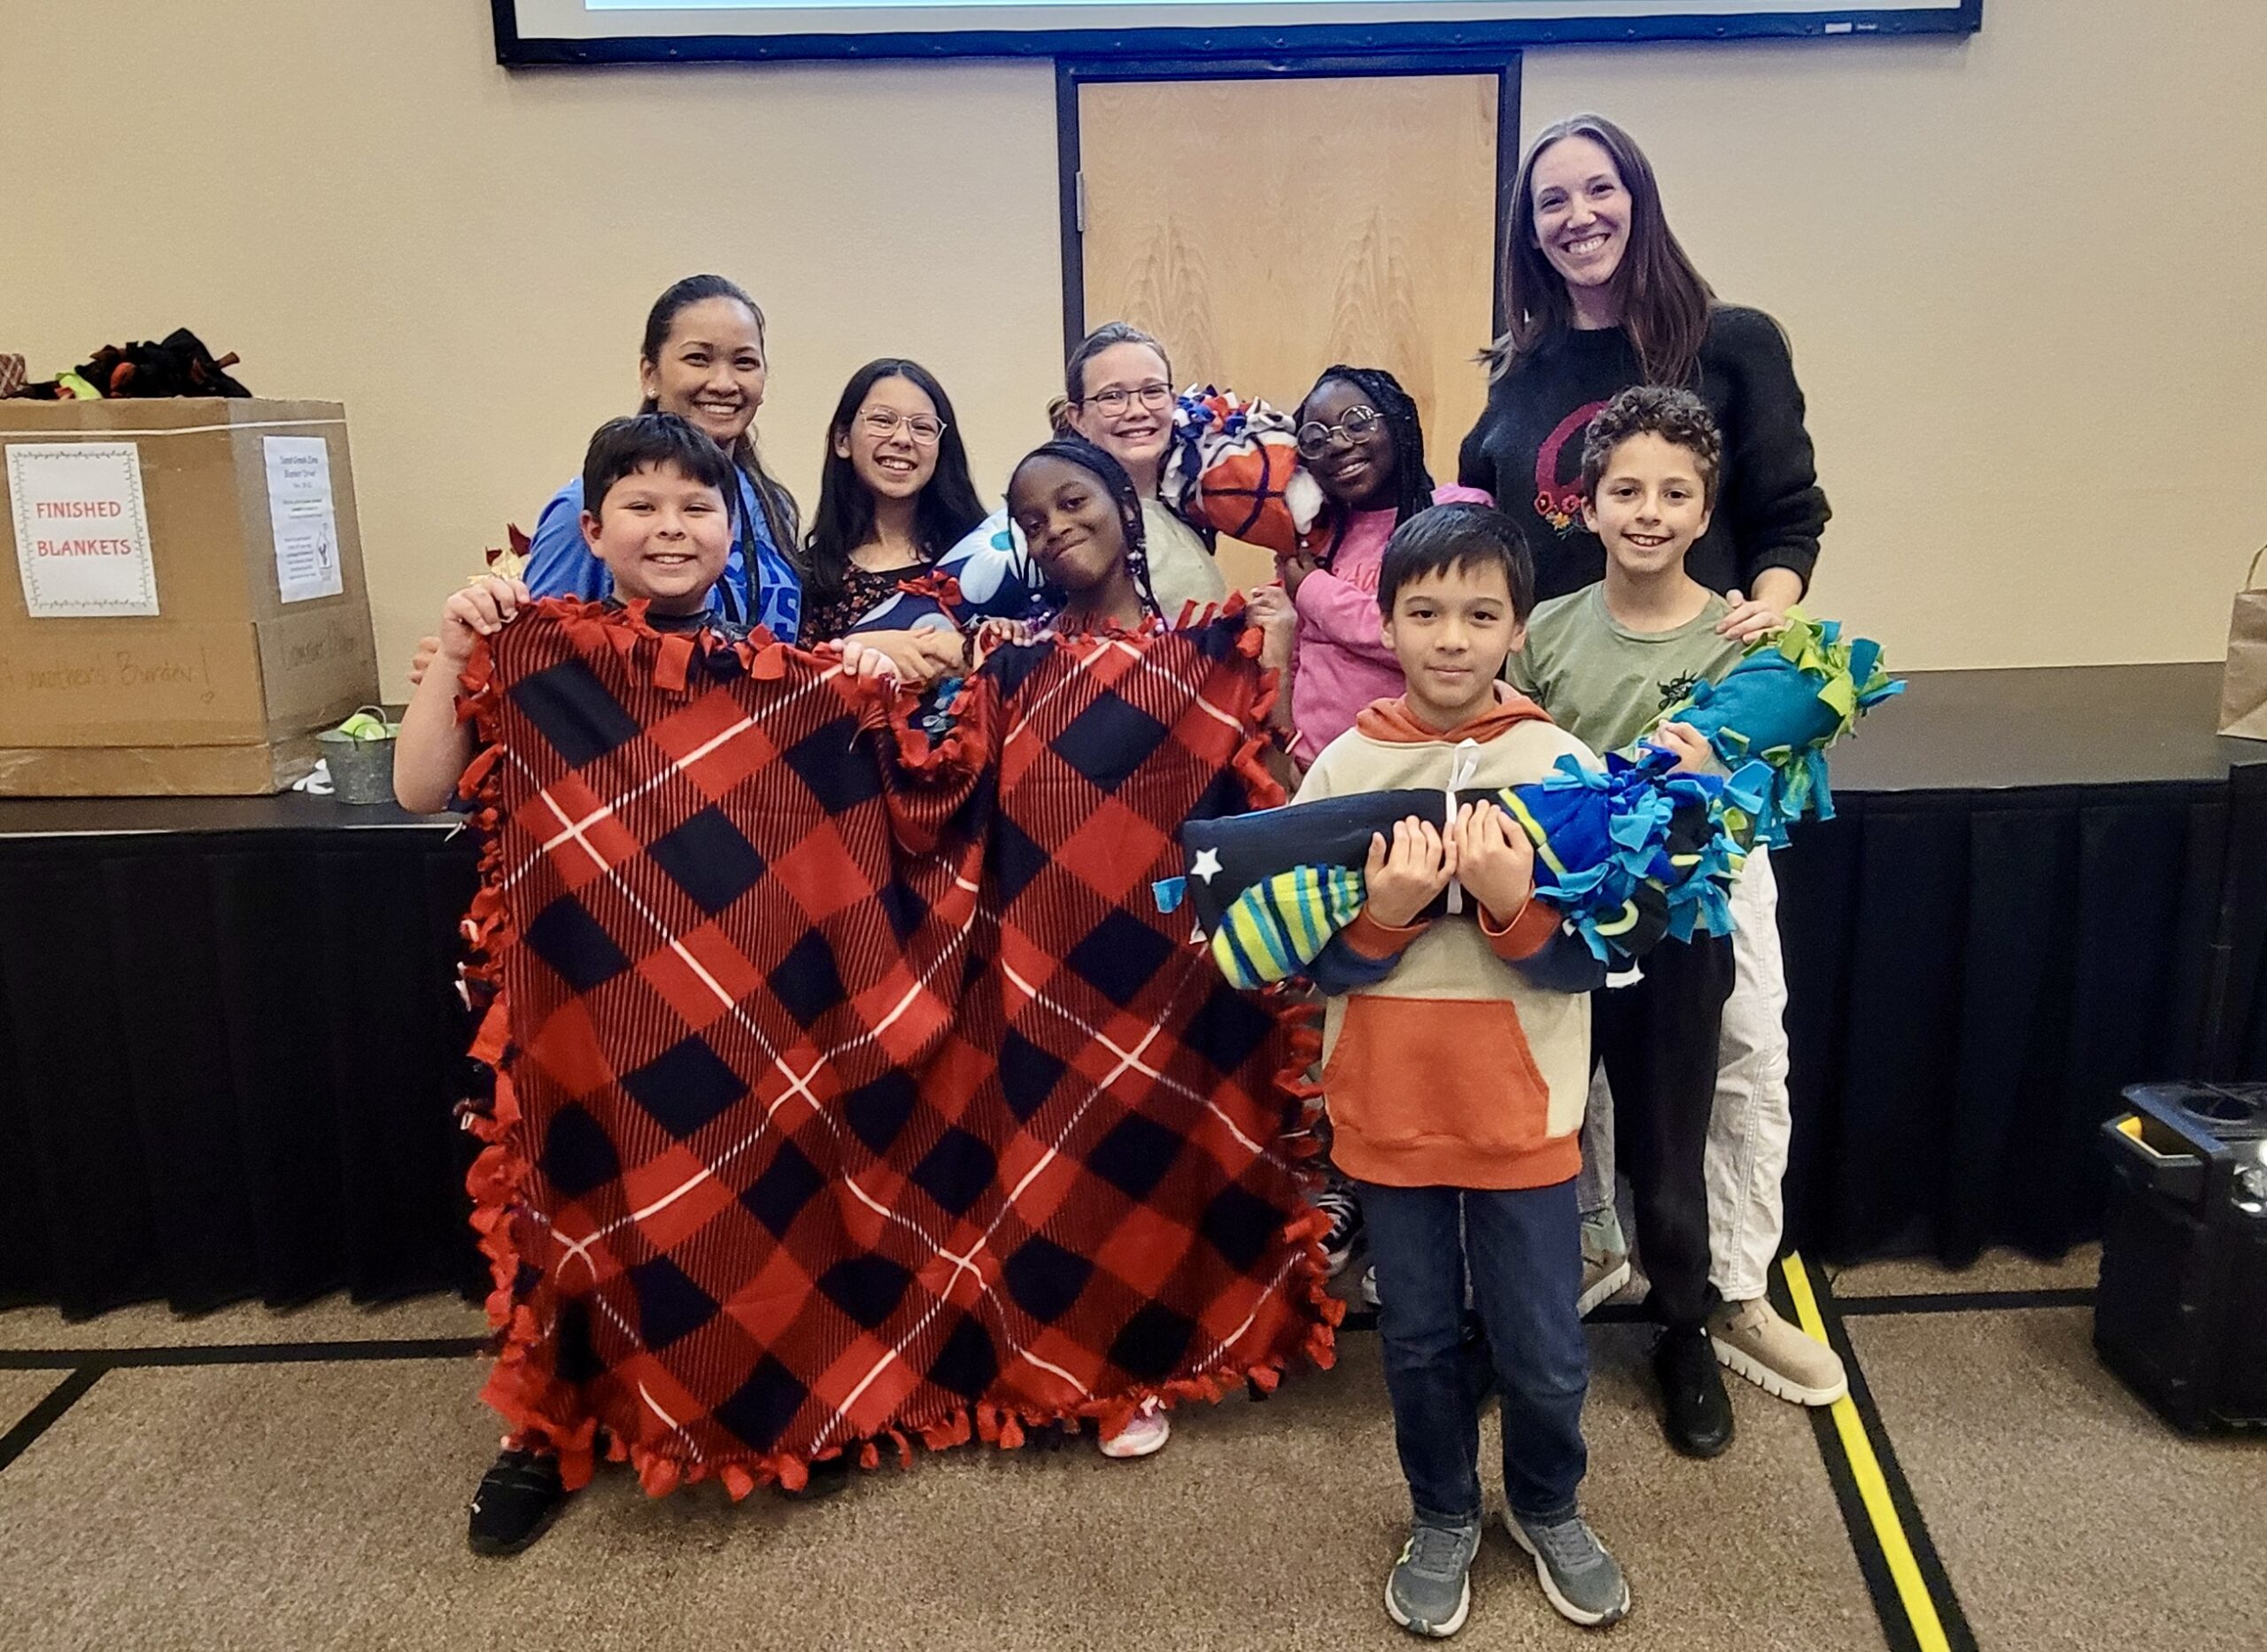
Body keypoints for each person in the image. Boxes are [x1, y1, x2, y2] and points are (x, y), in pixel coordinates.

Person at [396, 413, 849, 1552]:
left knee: (739, 1204)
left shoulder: (778, 676)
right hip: (578, 1003)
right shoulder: (537, 654)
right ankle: (547, 1432)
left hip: (737, 1004)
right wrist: (454, 644)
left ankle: (753, 1405)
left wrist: (897, 668)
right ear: (592, 531)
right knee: (574, 1205)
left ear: (734, 531)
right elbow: (417, 789)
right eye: (641, 506)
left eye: (698, 506)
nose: (672, 527)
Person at [1460, 113, 1844, 1411]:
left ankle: (1725, 1291)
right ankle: (1590, 1262)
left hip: (1699, 769)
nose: (1577, 215)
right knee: (1565, 1050)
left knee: (1732, 1046)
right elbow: (1491, 549)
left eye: (1598, 189)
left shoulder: (1729, 342)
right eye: (1550, 200)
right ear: (1529, 229)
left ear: (1638, 197)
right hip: (1566, 774)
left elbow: (1788, 517)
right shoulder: (1516, 377)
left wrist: (1761, 627)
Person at [1297, 504, 1628, 1637]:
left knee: (1542, 1347)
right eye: (1425, 612)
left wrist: (1508, 903)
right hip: (1388, 1112)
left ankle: (1547, 1504)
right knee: (1419, 1340)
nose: (1451, 637)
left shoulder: (1561, 766)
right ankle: (1440, 1512)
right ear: (1385, 623)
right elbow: (1307, 958)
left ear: (1517, 629)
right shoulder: (1342, 766)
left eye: (1480, 615)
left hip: (1520, 1115)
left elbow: (1590, 959)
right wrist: (1384, 915)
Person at [1510, 385, 1801, 1460]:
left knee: (1669, 1142)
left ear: (1704, 510)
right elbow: (1514, 759)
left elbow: (1763, 792)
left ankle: (1684, 1327)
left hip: (1681, 934)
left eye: (1674, 494)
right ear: (1585, 506)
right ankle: (1530, 1321)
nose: (1648, 512)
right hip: (1560, 926)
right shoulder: (1545, 630)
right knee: (1544, 1131)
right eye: (1625, 491)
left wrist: (1717, 769)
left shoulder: (1737, 638)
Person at [522, 274, 803, 640]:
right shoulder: (584, 507)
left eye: (745, 362)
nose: (723, 383)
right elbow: (539, 649)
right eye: (698, 359)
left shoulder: (770, 504)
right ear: (650, 374)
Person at [911, 323, 1230, 630]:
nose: (1137, 410)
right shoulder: (1040, 528)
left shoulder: (1194, 506)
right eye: (1112, 396)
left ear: (1173, 402)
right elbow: (919, 616)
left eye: (1152, 391)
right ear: (1077, 417)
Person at [798, 359, 986, 670]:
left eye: (922, 427)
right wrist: (857, 650)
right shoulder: (810, 576)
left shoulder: (983, 556)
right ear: (843, 439)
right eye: (883, 420)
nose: (902, 439)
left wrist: (969, 654)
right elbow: (796, 685)